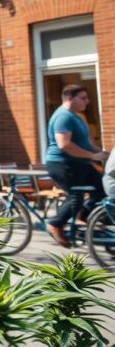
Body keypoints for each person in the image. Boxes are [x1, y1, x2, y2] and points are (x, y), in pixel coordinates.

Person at [44, 85, 109, 247]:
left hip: (80, 164)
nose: (87, 101)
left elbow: (85, 144)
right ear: (70, 98)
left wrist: (104, 153)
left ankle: (84, 216)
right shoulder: (63, 117)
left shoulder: (76, 117)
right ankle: (55, 224)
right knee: (75, 197)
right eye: (83, 98)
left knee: (104, 188)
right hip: (62, 164)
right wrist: (93, 156)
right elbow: (64, 144)